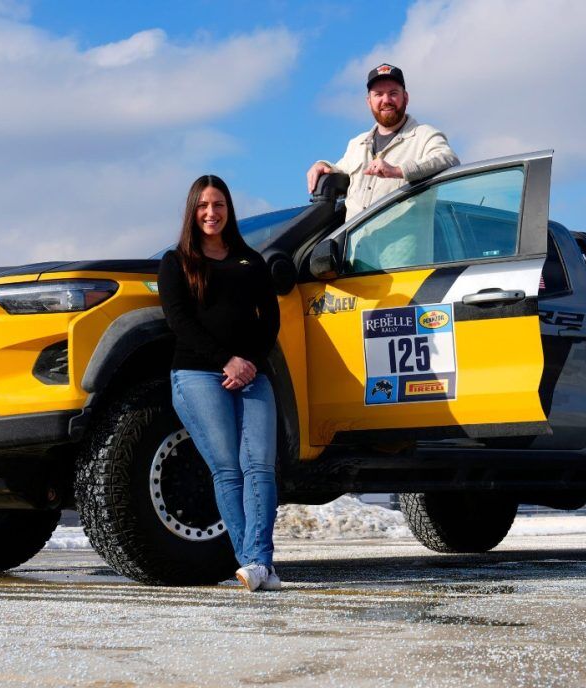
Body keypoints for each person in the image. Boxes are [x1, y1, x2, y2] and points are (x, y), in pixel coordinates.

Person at [158, 174, 281, 592]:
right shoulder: (176, 262)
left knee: (260, 467)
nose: (212, 213)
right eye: (204, 206)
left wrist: (248, 363)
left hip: (252, 375)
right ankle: (256, 563)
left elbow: (271, 321)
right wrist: (225, 360)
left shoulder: (251, 261)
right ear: (193, 211)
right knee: (228, 470)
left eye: (219, 205)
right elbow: (180, 322)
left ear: (229, 210)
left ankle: (257, 564)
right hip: (197, 374)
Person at [306, 63, 459, 221]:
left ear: (405, 98)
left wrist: (399, 171)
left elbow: (449, 159)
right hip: (355, 244)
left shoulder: (424, 135)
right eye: (378, 94)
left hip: (402, 244)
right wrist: (321, 165)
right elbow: (340, 169)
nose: (386, 100)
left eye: (393, 93)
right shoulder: (357, 144)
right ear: (369, 101)